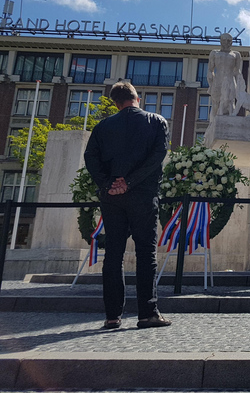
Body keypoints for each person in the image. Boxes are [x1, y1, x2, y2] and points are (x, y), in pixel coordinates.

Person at [84, 81, 171, 329]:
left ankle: (112, 316)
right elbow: (158, 156)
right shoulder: (156, 121)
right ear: (137, 98)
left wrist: (109, 183)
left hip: (112, 197)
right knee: (146, 253)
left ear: (115, 102)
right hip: (143, 195)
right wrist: (130, 182)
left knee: (113, 254)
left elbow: (90, 157)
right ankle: (147, 314)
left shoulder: (102, 126)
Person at [207, 33, 245, 117]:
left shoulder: (236, 54)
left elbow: (238, 72)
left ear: (231, 42)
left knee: (230, 103)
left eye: (229, 41)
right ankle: (213, 123)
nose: (226, 42)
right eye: (224, 40)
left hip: (230, 81)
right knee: (216, 104)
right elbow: (210, 70)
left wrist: (240, 87)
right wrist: (211, 83)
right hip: (218, 81)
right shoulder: (214, 53)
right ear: (220, 41)